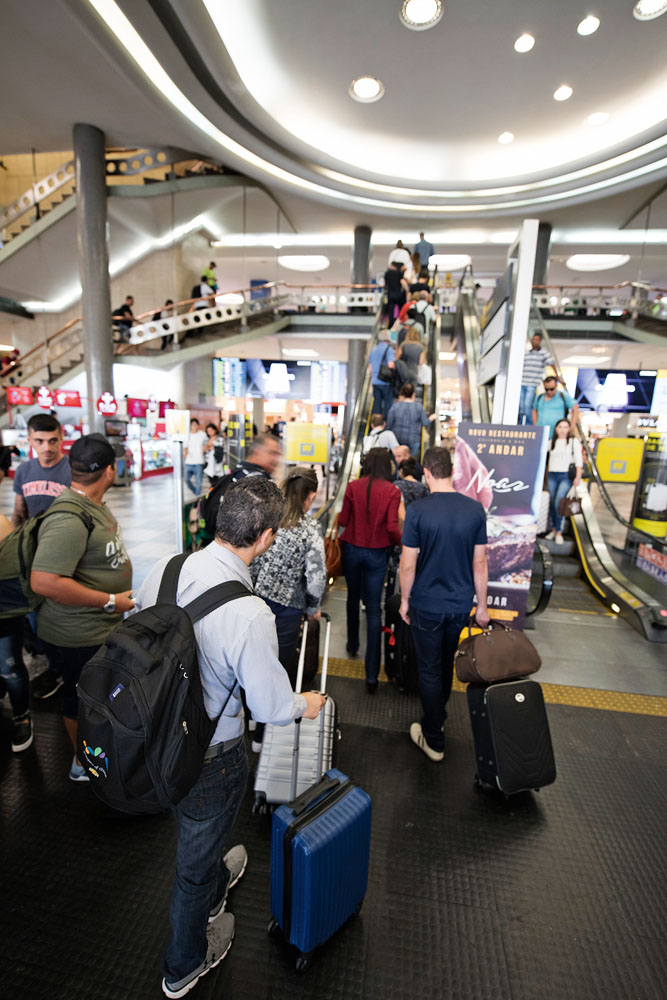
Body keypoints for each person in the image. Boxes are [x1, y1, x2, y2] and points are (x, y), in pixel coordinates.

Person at [132, 477, 326, 998]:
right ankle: (184, 964)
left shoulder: (166, 569)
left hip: (156, 736)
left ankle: (217, 879)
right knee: (193, 861)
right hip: (210, 753)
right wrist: (304, 704)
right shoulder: (248, 611)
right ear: (263, 538)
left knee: (197, 828)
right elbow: (269, 707)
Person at [29, 434, 133, 780]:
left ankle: (98, 752)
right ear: (110, 470)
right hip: (77, 633)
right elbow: (43, 581)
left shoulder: (91, 504)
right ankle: (82, 763)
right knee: (82, 698)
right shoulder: (69, 517)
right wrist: (109, 600)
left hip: (98, 628)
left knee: (98, 697)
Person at [399, 446, 489, 762]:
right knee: (445, 662)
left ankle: (434, 738)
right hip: (459, 604)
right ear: (452, 471)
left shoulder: (418, 511)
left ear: (426, 472)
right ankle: (438, 718)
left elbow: (407, 565)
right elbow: (480, 563)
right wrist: (482, 606)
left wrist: (405, 601)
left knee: (428, 668)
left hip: (426, 603)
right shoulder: (475, 510)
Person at [12, 414, 73, 701]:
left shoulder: (72, 469)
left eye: (52, 440)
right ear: (30, 440)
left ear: (61, 438)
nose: (46, 447)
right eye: (39, 441)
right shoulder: (24, 471)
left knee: (64, 612)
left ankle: (65, 667)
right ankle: (53, 665)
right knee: (36, 616)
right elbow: (19, 512)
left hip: (67, 555)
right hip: (33, 556)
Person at [251, 466, 326, 680]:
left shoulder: (269, 518)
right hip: (288, 609)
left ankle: (249, 708)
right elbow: (316, 576)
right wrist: (313, 607)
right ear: (311, 495)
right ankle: (272, 709)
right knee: (278, 668)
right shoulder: (309, 528)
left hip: (257, 601)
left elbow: (252, 559)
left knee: (255, 660)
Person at [339, 448, 402, 693]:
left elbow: (344, 520)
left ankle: (352, 644)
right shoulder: (392, 491)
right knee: (374, 610)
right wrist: (404, 542)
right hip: (377, 553)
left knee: (353, 598)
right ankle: (372, 676)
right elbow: (391, 526)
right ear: (387, 465)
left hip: (352, 550)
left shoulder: (353, 486)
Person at [546, 419, 583, 545]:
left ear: (569, 429)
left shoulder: (573, 442)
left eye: (565, 427)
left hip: (566, 476)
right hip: (552, 475)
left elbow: (578, 461)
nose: (562, 430)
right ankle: (553, 529)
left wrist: (577, 477)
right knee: (551, 503)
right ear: (556, 428)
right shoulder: (551, 442)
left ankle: (559, 531)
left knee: (559, 502)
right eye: (560, 427)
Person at [387, 382, 435, 458]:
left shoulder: (395, 406)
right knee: (408, 460)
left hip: (396, 439)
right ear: (413, 394)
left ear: (402, 393)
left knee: (396, 458)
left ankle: (397, 468)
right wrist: (431, 418)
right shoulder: (418, 407)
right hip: (413, 440)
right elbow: (425, 423)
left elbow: (389, 424)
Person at [519, 332, 556, 424]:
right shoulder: (526, 354)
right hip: (522, 383)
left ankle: (528, 427)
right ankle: (520, 425)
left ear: (540, 341)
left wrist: (557, 377)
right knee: (520, 407)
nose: (534, 341)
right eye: (533, 339)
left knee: (527, 406)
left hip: (532, 384)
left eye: (537, 340)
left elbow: (551, 363)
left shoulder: (543, 353)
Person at [368, 329, 396, 419]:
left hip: (375, 381)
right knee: (388, 404)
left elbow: (370, 368)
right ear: (388, 339)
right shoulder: (389, 349)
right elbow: (390, 365)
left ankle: (375, 422)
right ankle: (386, 422)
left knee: (377, 403)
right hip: (385, 381)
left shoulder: (373, 350)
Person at [184, 418, 208, 496]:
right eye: (192, 425)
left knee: (199, 482)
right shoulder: (187, 435)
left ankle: (197, 495)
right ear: (190, 426)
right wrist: (184, 456)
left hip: (199, 461)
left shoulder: (202, 434)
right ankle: (195, 492)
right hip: (189, 462)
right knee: (186, 479)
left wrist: (204, 450)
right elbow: (185, 448)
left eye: (195, 424)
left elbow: (206, 444)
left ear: (198, 425)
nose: (194, 426)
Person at [383, 260, 410, 325]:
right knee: (401, 309)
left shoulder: (387, 273)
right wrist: (408, 290)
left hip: (390, 294)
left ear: (392, 266)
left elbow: (385, 284)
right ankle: (401, 322)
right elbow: (403, 282)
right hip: (398, 295)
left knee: (391, 311)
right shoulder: (399, 273)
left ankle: (391, 324)